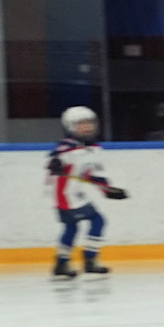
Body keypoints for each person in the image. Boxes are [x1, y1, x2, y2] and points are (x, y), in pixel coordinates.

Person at [46, 105, 125, 280]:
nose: (87, 127)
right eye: (82, 124)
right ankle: (88, 259)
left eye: (89, 122)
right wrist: (56, 164)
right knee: (96, 220)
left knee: (73, 226)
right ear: (70, 126)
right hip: (64, 195)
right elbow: (56, 157)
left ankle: (62, 263)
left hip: (74, 193)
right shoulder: (67, 146)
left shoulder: (94, 148)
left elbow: (93, 172)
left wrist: (108, 190)